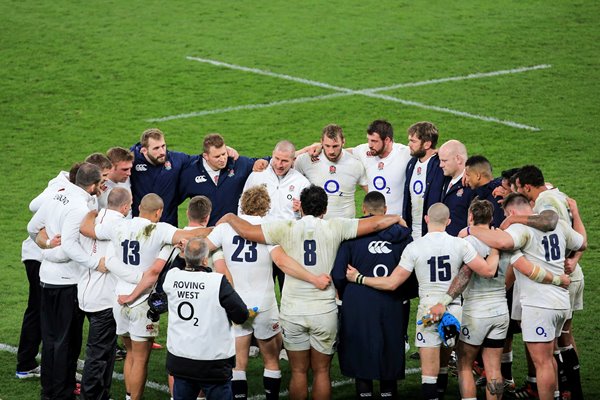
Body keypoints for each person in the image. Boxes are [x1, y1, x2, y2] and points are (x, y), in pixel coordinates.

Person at [218, 185, 406, 400]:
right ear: (324, 210)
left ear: (302, 208)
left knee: (298, 371)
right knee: (321, 371)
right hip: (323, 310)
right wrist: (396, 217)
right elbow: (375, 223)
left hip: (293, 311)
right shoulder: (336, 226)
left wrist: (231, 217)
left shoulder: (284, 227)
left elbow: (247, 231)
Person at [346, 203, 498, 400]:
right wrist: (495, 249)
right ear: (449, 221)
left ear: (426, 219)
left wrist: (359, 278)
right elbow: (487, 271)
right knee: (454, 364)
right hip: (453, 309)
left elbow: (392, 283)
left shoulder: (414, 247)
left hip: (428, 311)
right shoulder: (461, 244)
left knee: (428, 374)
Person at [81, 193, 211, 400]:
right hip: (142, 301)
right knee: (140, 359)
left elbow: (87, 229)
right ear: (159, 212)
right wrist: (224, 227)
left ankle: (128, 396)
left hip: (118, 298)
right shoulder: (161, 230)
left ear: (139, 207)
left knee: (130, 354)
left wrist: (91, 213)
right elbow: (196, 234)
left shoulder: (119, 226)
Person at [465, 192, 587, 400]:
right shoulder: (560, 225)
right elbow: (582, 243)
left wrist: (470, 229)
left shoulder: (520, 228)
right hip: (561, 303)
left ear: (511, 212)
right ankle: (556, 395)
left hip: (540, 305)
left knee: (542, 362)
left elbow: (503, 243)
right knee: (549, 357)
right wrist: (575, 213)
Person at [504, 165, 586, 399]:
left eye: (517, 188)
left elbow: (550, 221)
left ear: (527, 187)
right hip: (563, 279)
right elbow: (578, 239)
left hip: (553, 286)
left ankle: (567, 391)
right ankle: (566, 392)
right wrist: (574, 258)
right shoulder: (554, 195)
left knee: (553, 348)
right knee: (560, 342)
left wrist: (513, 220)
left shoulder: (545, 202)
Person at [27, 163, 106, 400]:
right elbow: (71, 247)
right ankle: (62, 393)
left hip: (46, 279)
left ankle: (49, 391)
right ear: (93, 185)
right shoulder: (78, 207)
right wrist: (95, 263)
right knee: (66, 342)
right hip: (68, 283)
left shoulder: (57, 195)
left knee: (51, 339)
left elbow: (32, 228)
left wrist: (47, 246)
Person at [331, 191, 414, 399]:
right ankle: (387, 393)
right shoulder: (403, 236)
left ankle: (365, 394)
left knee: (360, 351)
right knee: (390, 350)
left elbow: (338, 275)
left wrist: (347, 289)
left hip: (358, 302)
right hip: (392, 302)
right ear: (385, 210)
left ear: (363, 209)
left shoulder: (351, 234)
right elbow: (412, 277)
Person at [163, 238, 249, 400]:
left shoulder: (171, 278)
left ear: (186, 258)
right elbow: (241, 314)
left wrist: (182, 254)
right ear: (204, 259)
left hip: (181, 360)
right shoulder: (217, 281)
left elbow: (172, 271)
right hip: (212, 362)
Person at [78, 187, 131, 399]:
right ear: (126, 206)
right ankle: (91, 396)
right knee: (99, 354)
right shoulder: (120, 226)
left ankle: (101, 394)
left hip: (85, 293)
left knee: (105, 351)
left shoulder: (92, 218)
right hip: (105, 298)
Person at [178, 133, 268, 226]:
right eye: (217, 156)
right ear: (205, 156)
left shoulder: (238, 164)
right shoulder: (191, 173)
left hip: (233, 233)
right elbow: (173, 200)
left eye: (224, 154)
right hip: (207, 234)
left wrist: (263, 162)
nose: (222, 159)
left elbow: (267, 161)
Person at [294, 123, 368, 219]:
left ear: (343, 142)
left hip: (346, 228)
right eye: (327, 146)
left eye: (335, 146)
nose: (331, 151)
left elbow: (370, 191)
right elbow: (285, 165)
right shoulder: (307, 160)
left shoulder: (355, 164)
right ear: (321, 142)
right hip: (317, 226)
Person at [130, 128, 197, 226]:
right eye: (156, 148)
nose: (162, 152)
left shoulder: (175, 159)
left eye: (163, 146)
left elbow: (201, 160)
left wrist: (226, 152)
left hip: (168, 226)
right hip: (140, 227)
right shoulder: (132, 161)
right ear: (144, 150)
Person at [352, 120, 412, 216]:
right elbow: (342, 153)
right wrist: (320, 147)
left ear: (387, 140)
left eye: (374, 141)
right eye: (369, 140)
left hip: (397, 219)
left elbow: (429, 153)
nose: (370, 145)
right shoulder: (364, 151)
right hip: (373, 220)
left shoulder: (405, 153)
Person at [403, 121, 445, 240]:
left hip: (432, 232)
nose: (409, 144)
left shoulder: (440, 165)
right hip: (412, 232)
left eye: (413, 141)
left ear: (427, 144)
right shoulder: (411, 164)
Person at [437, 140, 475, 236]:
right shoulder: (445, 178)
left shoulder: (472, 185)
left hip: (461, 245)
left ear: (458, 159)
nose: (440, 165)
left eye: (444, 161)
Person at [464, 155, 504, 227]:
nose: (466, 179)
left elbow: (496, 228)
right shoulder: (479, 193)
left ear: (478, 176)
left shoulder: (497, 196)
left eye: (468, 175)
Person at [98, 147, 134, 211]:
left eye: (130, 168)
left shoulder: (126, 179)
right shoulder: (98, 188)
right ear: (111, 167)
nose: (129, 173)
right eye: (125, 169)